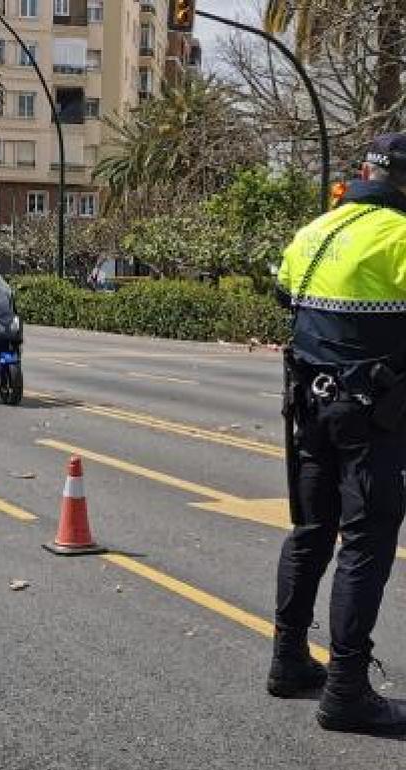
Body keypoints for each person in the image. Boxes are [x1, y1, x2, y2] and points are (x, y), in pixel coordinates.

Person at [272, 133, 406, 735]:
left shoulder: (314, 231)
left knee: (311, 532)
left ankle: (288, 660)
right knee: (366, 543)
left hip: (310, 408)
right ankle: (346, 691)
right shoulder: (400, 237)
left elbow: (285, 296)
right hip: (371, 419)